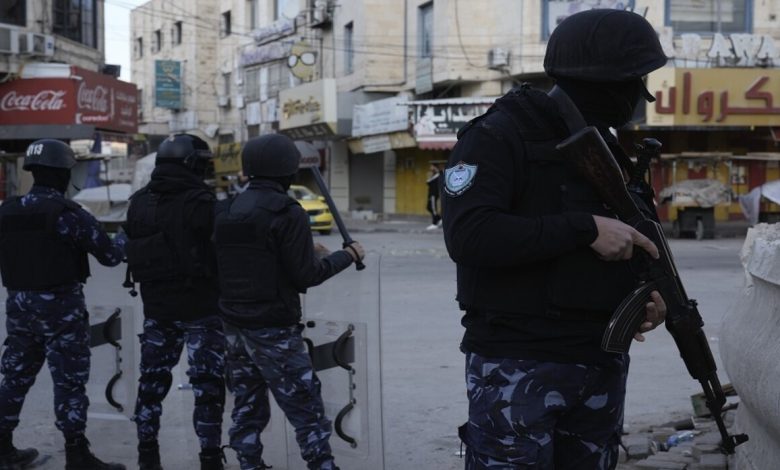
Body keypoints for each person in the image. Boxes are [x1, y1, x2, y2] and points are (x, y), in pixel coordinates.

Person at [441, 10, 669, 469]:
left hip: (598, 360)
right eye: (634, 79)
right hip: (517, 362)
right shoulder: (497, 134)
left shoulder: (603, 147)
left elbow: (630, 237)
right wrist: (584, 229)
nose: (641, 93)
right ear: (604, 81)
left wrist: (648, 296)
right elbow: (469, 235)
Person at [213, 134, 365, 470]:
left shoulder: (226, 209)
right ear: (287, 169)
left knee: (247, 406)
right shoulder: (287, 211)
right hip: (273, 330)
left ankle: (249, 463)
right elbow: (306, 276)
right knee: (306, 409)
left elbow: (250, 257)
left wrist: (306, 250)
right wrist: (347, 255)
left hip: (234, 327)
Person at [0, 139, 126, 470]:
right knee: (69, 381)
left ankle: (2, 447)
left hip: (19, 309)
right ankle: (77, 455)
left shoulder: (7, 210)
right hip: (61, 312)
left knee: (14, 377)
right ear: (63, 173)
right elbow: (111, 255)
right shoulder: (68, 214)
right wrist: (128, 235)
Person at [124, 134, 225, 470]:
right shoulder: (202, 202)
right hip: (202, 309)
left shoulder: (139, 201)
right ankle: (210, 459)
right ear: (192, 164)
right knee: (208, 388)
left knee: (151, 385)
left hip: (157, 310)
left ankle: (147, 456)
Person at [425, 163, 442, 230]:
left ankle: (434, 223)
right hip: (430, 193)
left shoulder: (438, 175)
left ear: (435, 167)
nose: (430, 168)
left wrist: (436, 171)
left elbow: (429, 182)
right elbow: (428, 182)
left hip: (434, 194)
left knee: (433, 208)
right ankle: (439, 219)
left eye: (432, 167)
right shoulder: (433, 175)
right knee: (428, 207)